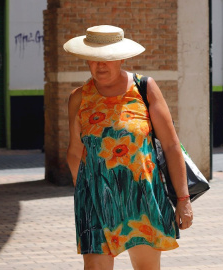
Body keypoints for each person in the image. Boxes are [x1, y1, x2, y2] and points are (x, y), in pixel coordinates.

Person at [64, 25, 193, 270]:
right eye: (94, 59)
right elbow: (74, 151)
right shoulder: (79, 98)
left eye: (108, 59)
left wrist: (183, 200)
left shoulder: (144, 88)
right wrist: (85, 191)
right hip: (95, 199)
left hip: (141, 197)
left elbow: (171, 145)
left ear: (121, 58)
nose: (101, 66)